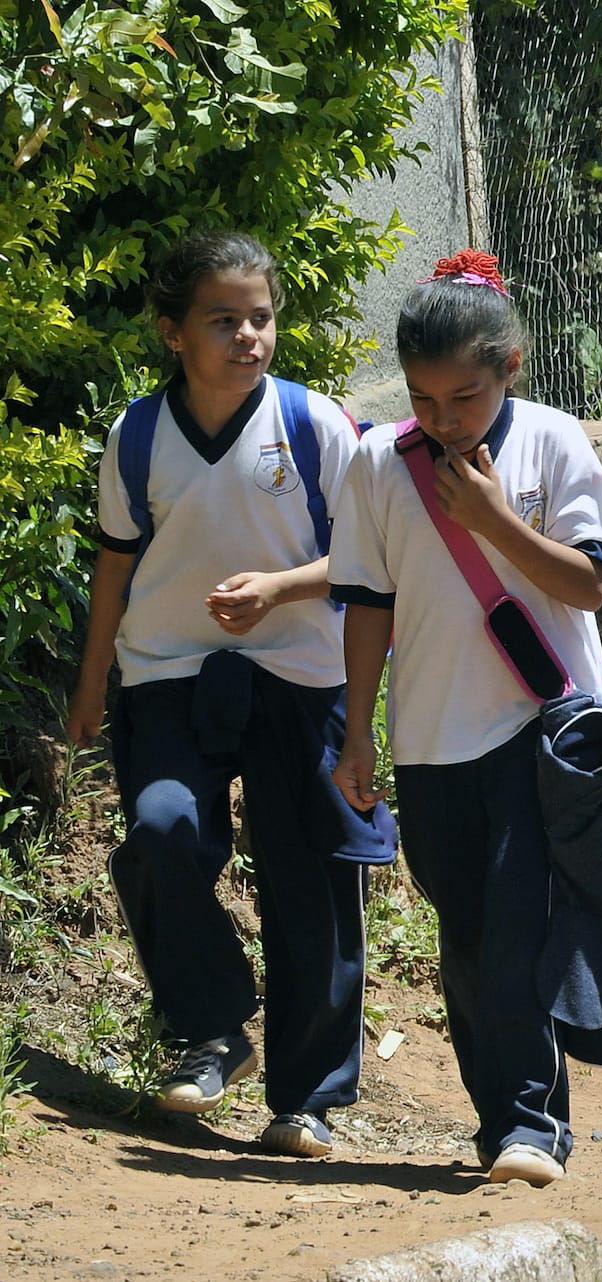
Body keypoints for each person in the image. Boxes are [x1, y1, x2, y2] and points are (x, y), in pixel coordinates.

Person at [68, 230, 391, 1159]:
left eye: (261, 318)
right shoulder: (136, 437)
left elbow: (370, 561)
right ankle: (211, 1030)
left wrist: (279, 589)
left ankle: (308, 1100)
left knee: (312, 885)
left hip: (301, 678)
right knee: (164, 830)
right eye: (224, 321)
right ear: (173, 332)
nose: (249, 336)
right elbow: (113, 568)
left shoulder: (315, 423)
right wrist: (94, 683)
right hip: (166, 674)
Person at [328, 250, 602, 1188]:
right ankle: (503, 1119)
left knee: (515, 929)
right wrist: (357, 730)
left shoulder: (554, 443)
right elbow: (366, 602)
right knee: (465, 934)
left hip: (540, 734)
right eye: (422, 399)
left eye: (463, 398)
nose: (442, 419)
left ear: (512, 367)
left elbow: (592, 583)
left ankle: (530, 1125)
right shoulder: (380, 463)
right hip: (428, 740)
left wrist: (495, 519)